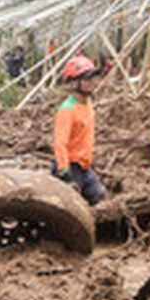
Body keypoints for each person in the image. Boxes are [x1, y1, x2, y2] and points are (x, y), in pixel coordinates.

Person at [52, 54, 107, 205]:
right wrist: (64, 172)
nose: (91, 83)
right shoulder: (67, 110)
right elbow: (60, 143)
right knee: (72, 206)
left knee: (100, 197)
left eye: (91, 78)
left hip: (84, 166)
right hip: (70, 167)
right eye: (86, 79)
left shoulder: (88, 103)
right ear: (74, 83)